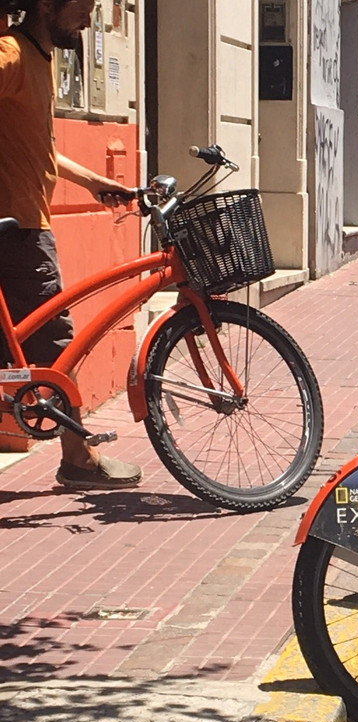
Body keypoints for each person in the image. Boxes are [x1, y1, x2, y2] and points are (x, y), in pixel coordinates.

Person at [1, 0, 141, 489]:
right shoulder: (13, 54)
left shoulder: (39, 58)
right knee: (57, 345)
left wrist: (95, 183)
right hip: (17, 232)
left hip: (21, 225)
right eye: (84, 5)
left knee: (21, 350)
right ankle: (78, 461)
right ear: (46, 4)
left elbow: (41, 148)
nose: (90, 17)